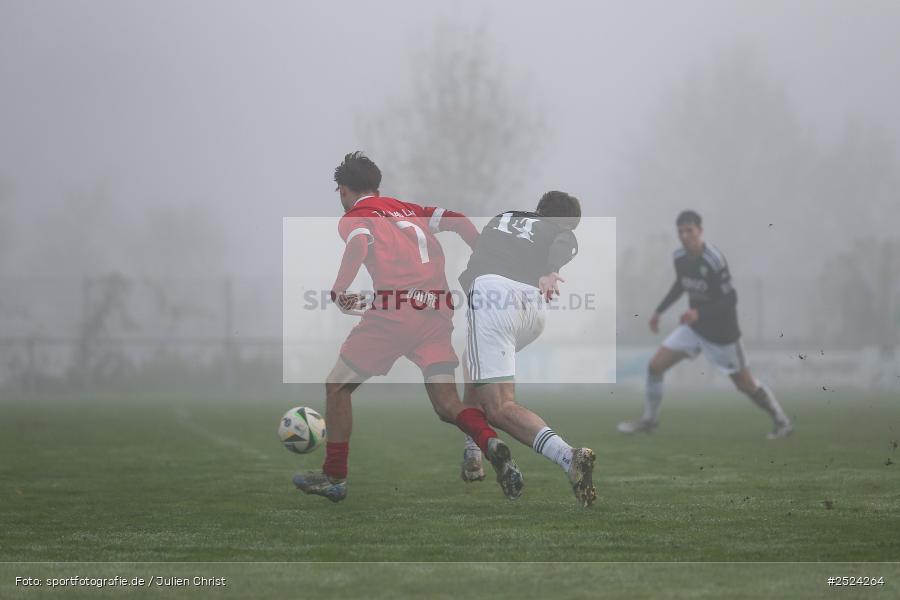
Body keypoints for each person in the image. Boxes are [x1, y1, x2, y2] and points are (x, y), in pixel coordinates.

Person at [293, 152, 522, 503]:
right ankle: (490, 443)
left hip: (395, 313)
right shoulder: (407, 208)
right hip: (437, 310)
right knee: (447, 405)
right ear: (376, 185)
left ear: (342, 190)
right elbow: (460, 221)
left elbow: (359, 243)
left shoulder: (357, 216)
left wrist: (339, 289)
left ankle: (334, 477)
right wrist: (485, 262)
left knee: (337, 385)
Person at [456, 191, 597, 507]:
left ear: (539, 209)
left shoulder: (502, 218)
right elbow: (563, 242)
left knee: (500, 407)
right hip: (532, 309)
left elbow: (471, 270)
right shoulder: (557, 233)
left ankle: (568, 456)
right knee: (474, 362)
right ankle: (473, 454)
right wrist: (549, 271)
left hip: (493, 296)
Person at [617, 210, 793, 439]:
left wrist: (698, 312)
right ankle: (650, 420)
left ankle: (782, 421)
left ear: (700, 231)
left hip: (722, 333)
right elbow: (681, 284)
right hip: (694, 328)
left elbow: (730, 299)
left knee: (745, 384)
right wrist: (659, 311)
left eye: (689, 231)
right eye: (680, 232)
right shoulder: (679, 257)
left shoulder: (714, 259)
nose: (685, 236)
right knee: (655, 366)